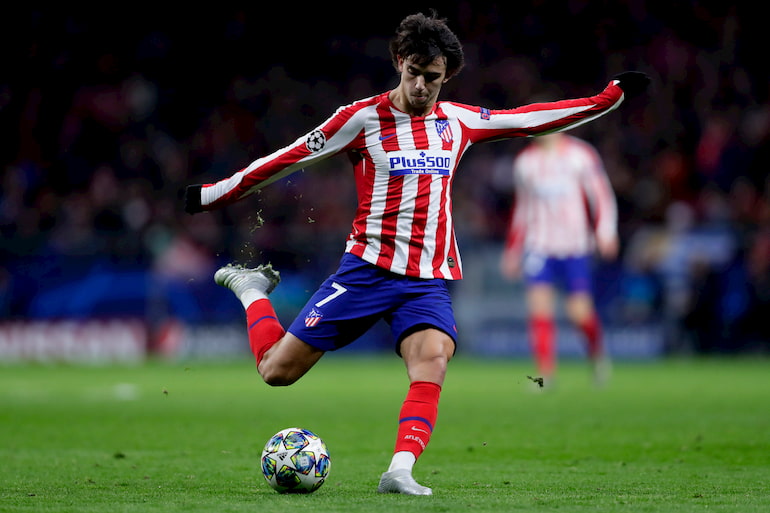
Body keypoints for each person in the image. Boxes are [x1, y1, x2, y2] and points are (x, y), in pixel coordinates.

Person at [183, 11, 649, 495]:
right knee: (276, 372)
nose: (423, 86)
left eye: (434, 78)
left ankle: (399, 470)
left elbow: (529, 119)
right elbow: (291, 156)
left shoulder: (457, 122)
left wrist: (607, 98)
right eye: (415, 74)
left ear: (445, 76)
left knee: (433, 359)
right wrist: (216, 193)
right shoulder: (361, 119)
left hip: (425, 279)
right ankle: (252, 290)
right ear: (398, 62)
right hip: (365, 271)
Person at [500, 131, 618, 387]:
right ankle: (545, 375)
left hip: (574, 246)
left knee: (579, 313)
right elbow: (522, 208)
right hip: (539, 246)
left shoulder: (580, 155)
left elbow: (600, 195)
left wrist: (606, 231)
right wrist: (513, 251)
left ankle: (597, 356)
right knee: (539, 309)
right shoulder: (525, 162)